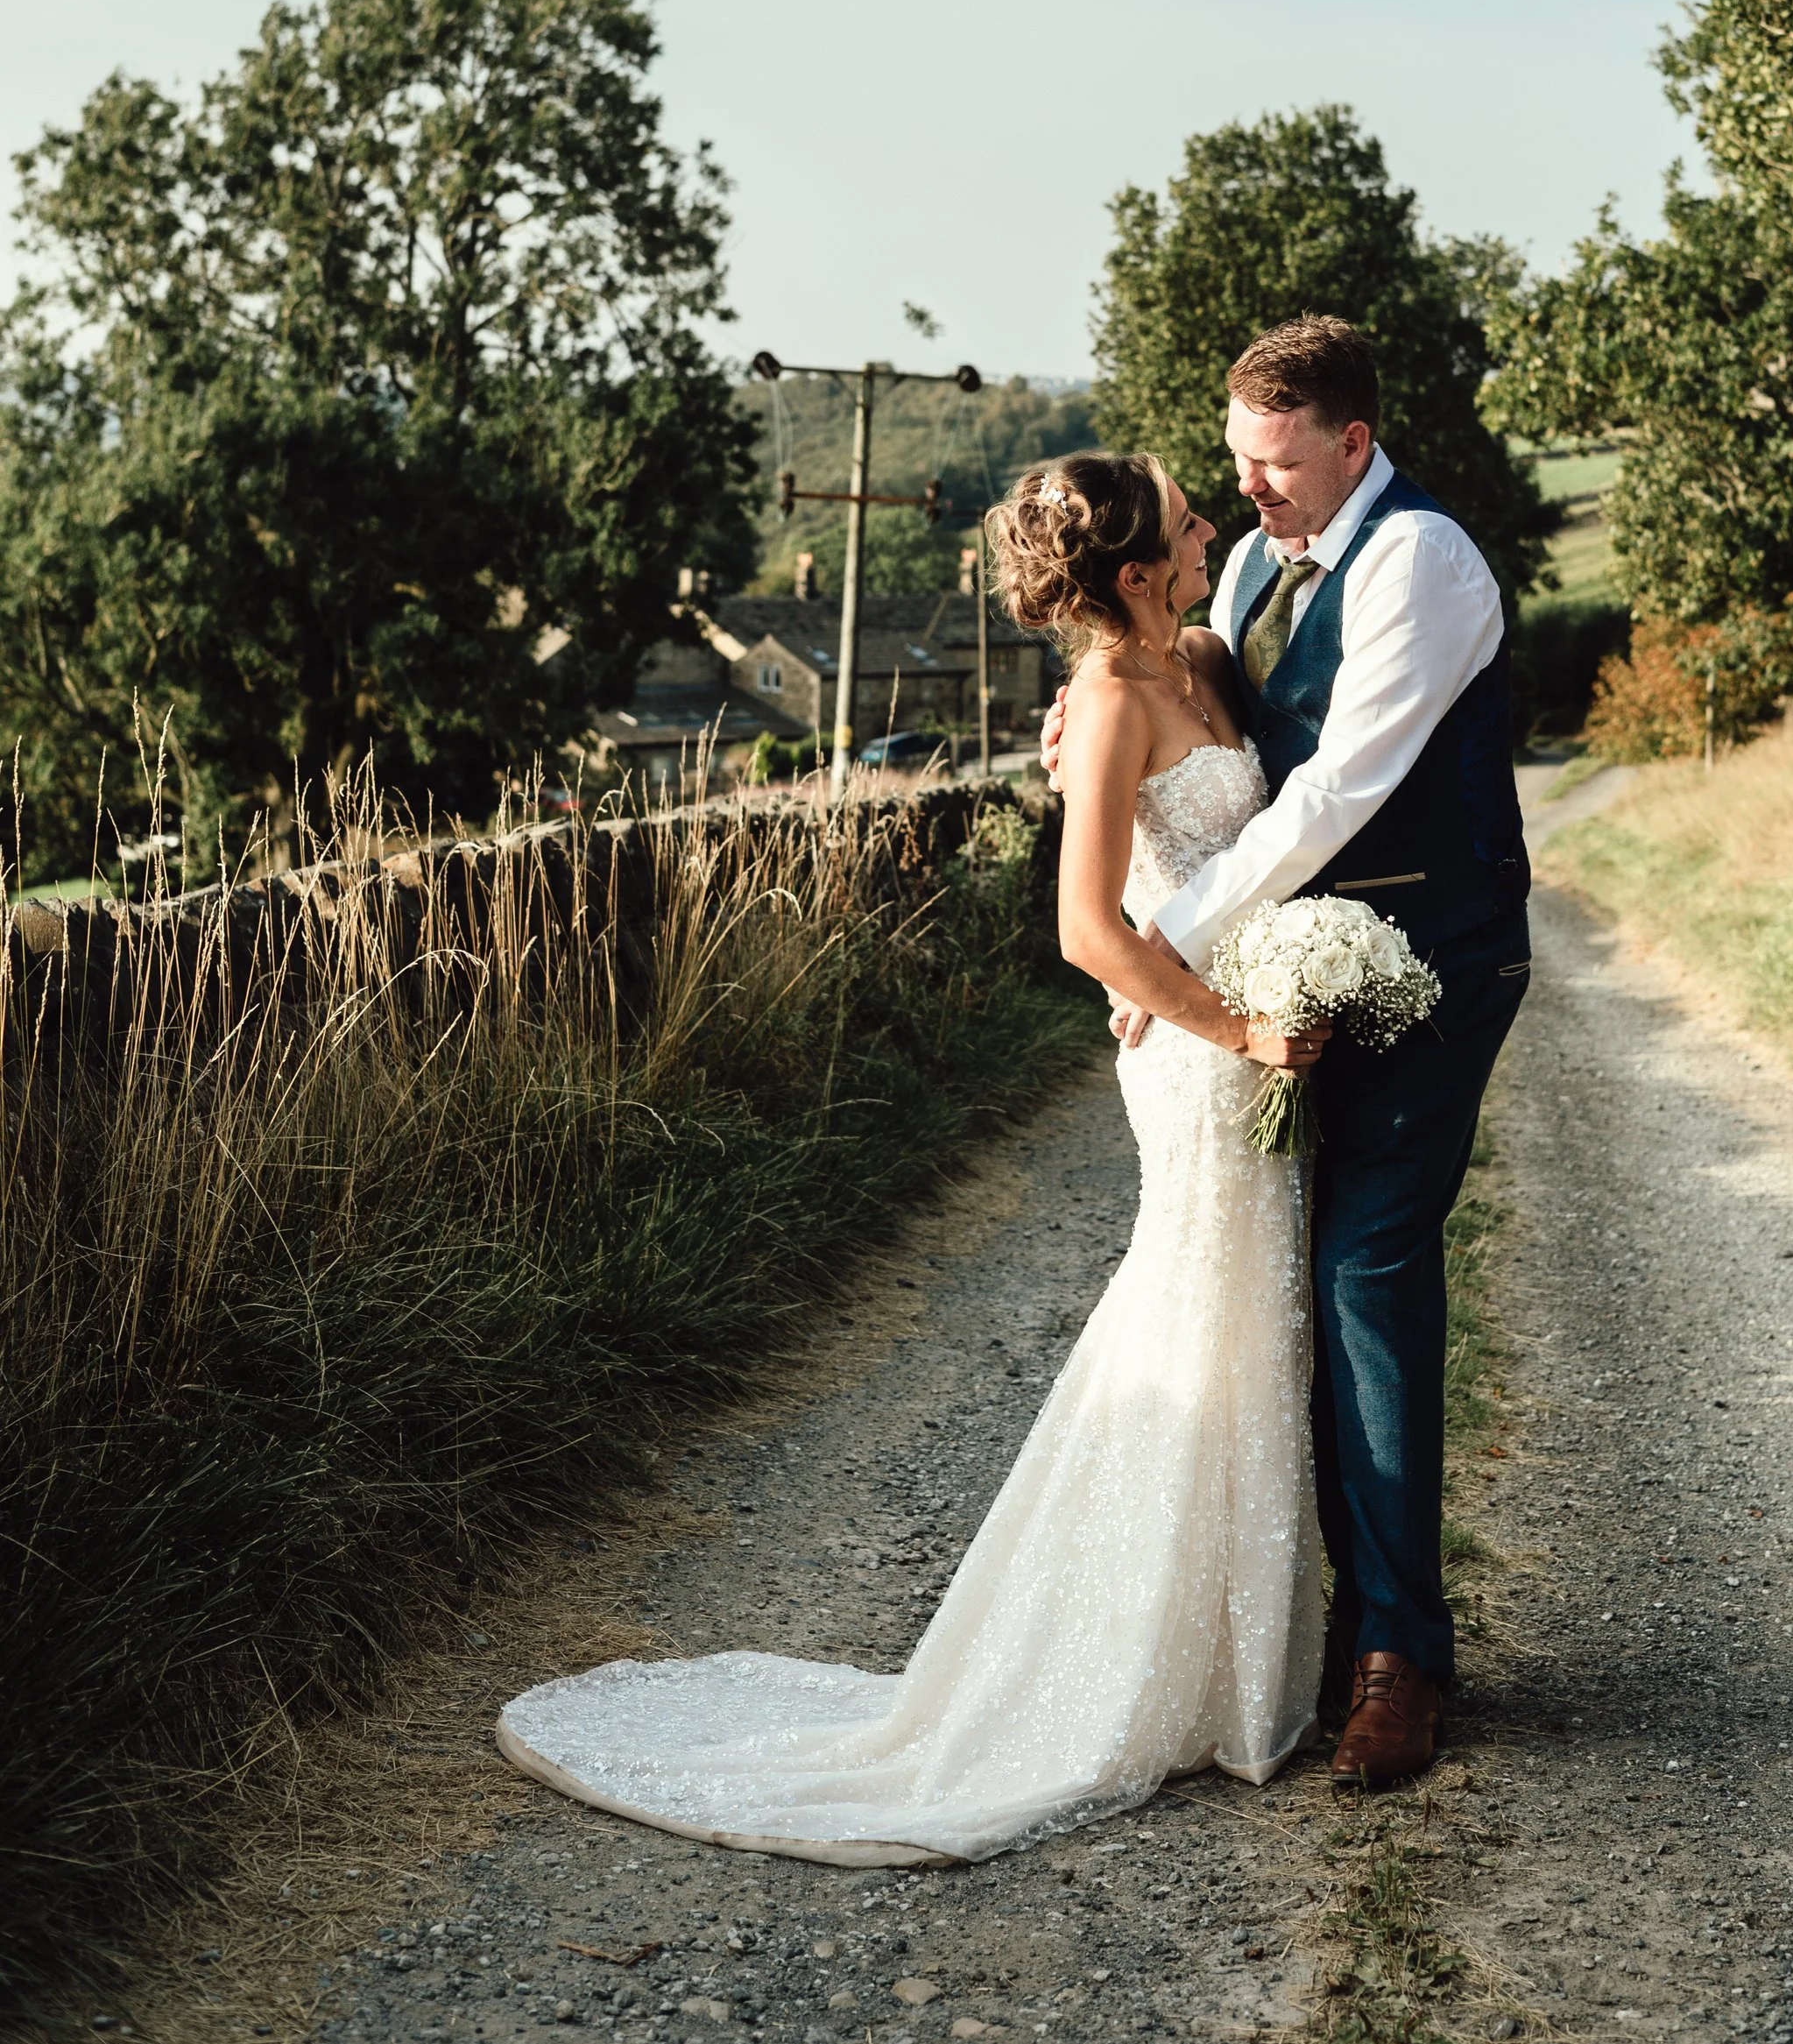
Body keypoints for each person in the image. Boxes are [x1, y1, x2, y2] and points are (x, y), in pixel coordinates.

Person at [496, 451, 1326, 1863]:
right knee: (1207, 1308)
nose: (1211, 533)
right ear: (1135, 570)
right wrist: (1239, 1027)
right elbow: (1085, 930)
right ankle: (1140, 1670)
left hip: (1233, 1022)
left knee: (1256, 1322)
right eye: (1189, 526)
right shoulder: (1117, 704)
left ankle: (1234, 1666)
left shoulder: (1197, 655)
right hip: (1197, 1058)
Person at [1043, 315, 1530, 1793]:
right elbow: (1194, 703)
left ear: (1354, 445)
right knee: (1285, 1282)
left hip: (1435, 957)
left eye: (1273, 462)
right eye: (1235, 463)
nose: (1244, 490)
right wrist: (1096, 697)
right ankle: (1313, 1621)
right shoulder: (1255, 563)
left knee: (1364, 1263)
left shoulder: (1423, 565)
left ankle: (1397, 1652)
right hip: (1290, 983)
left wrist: (1167, 944)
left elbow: (1327, 791)